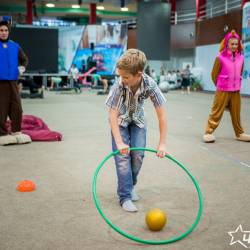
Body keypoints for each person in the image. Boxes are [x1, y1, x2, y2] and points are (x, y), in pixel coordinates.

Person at [105, 49, 167, 212]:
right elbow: (112, 116)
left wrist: (162, 144)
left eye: (126, 77)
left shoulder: (150, 85)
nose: (122, 79)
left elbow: (161, 115)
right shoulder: (119, 86)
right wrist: (119, 142)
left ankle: (130, 185)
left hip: (138, 120)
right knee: (123, 158)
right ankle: (124, 196)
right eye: (120, 76)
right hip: (120, 121)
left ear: (139, 74)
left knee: (138, 156)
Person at [203, 30, 250, 143]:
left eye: (236, 44)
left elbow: (240, 72)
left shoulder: (241, 58)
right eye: (232, 44)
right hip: (222, 90)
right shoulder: (220, 58)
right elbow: (214, 74)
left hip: (236, 91)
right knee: (216, 112)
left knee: (236, 113)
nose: (234, 46)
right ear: (227, 44)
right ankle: (208, 132)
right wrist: (220, 85)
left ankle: (239, 133)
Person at [0, 20, 31, 145]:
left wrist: (22, 68)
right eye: (1, 30)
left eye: (6, 30)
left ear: (9, 32)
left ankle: (17, 131)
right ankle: (1, 133)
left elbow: (24, 60)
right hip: (0, 82)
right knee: (1, 108)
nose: (3, 33)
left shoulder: (15, 46)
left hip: (13, 81)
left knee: (17, 107)